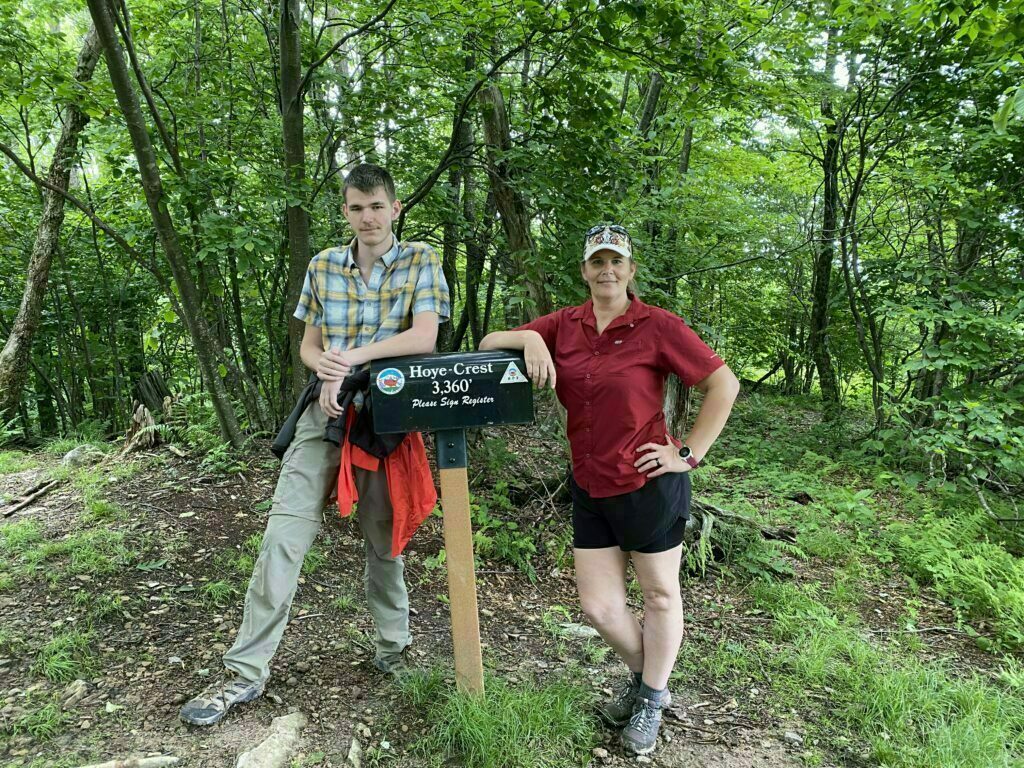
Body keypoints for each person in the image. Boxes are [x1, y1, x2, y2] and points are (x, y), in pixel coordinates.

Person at [180, 163, 450, 726]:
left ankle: (393, 651)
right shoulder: (323, 265)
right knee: (284, 535)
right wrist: (323, 364)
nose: (367, 217)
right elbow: (309, 344)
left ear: (395, 208)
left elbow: (424, 337)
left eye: (377, 206)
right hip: (323, 418)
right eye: (356, 207)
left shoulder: (421, 258)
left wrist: (349, 359)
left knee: (384, 538)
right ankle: (245, 672)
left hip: (387, 420)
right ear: (345, 211)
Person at [479, 224, 739, 755]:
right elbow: (488, 344)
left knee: (661, 595)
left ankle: (649, 698)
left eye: (616, 261)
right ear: (584, 270)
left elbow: (723, 383)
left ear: (630, 270)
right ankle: (651, 684)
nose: (607, 271)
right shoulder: (564, 324)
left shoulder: (657, 326)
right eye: (597, 261)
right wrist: (529, 337)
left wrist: (687, 454)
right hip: (590, 480)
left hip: (648, 483)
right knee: (599, 607)